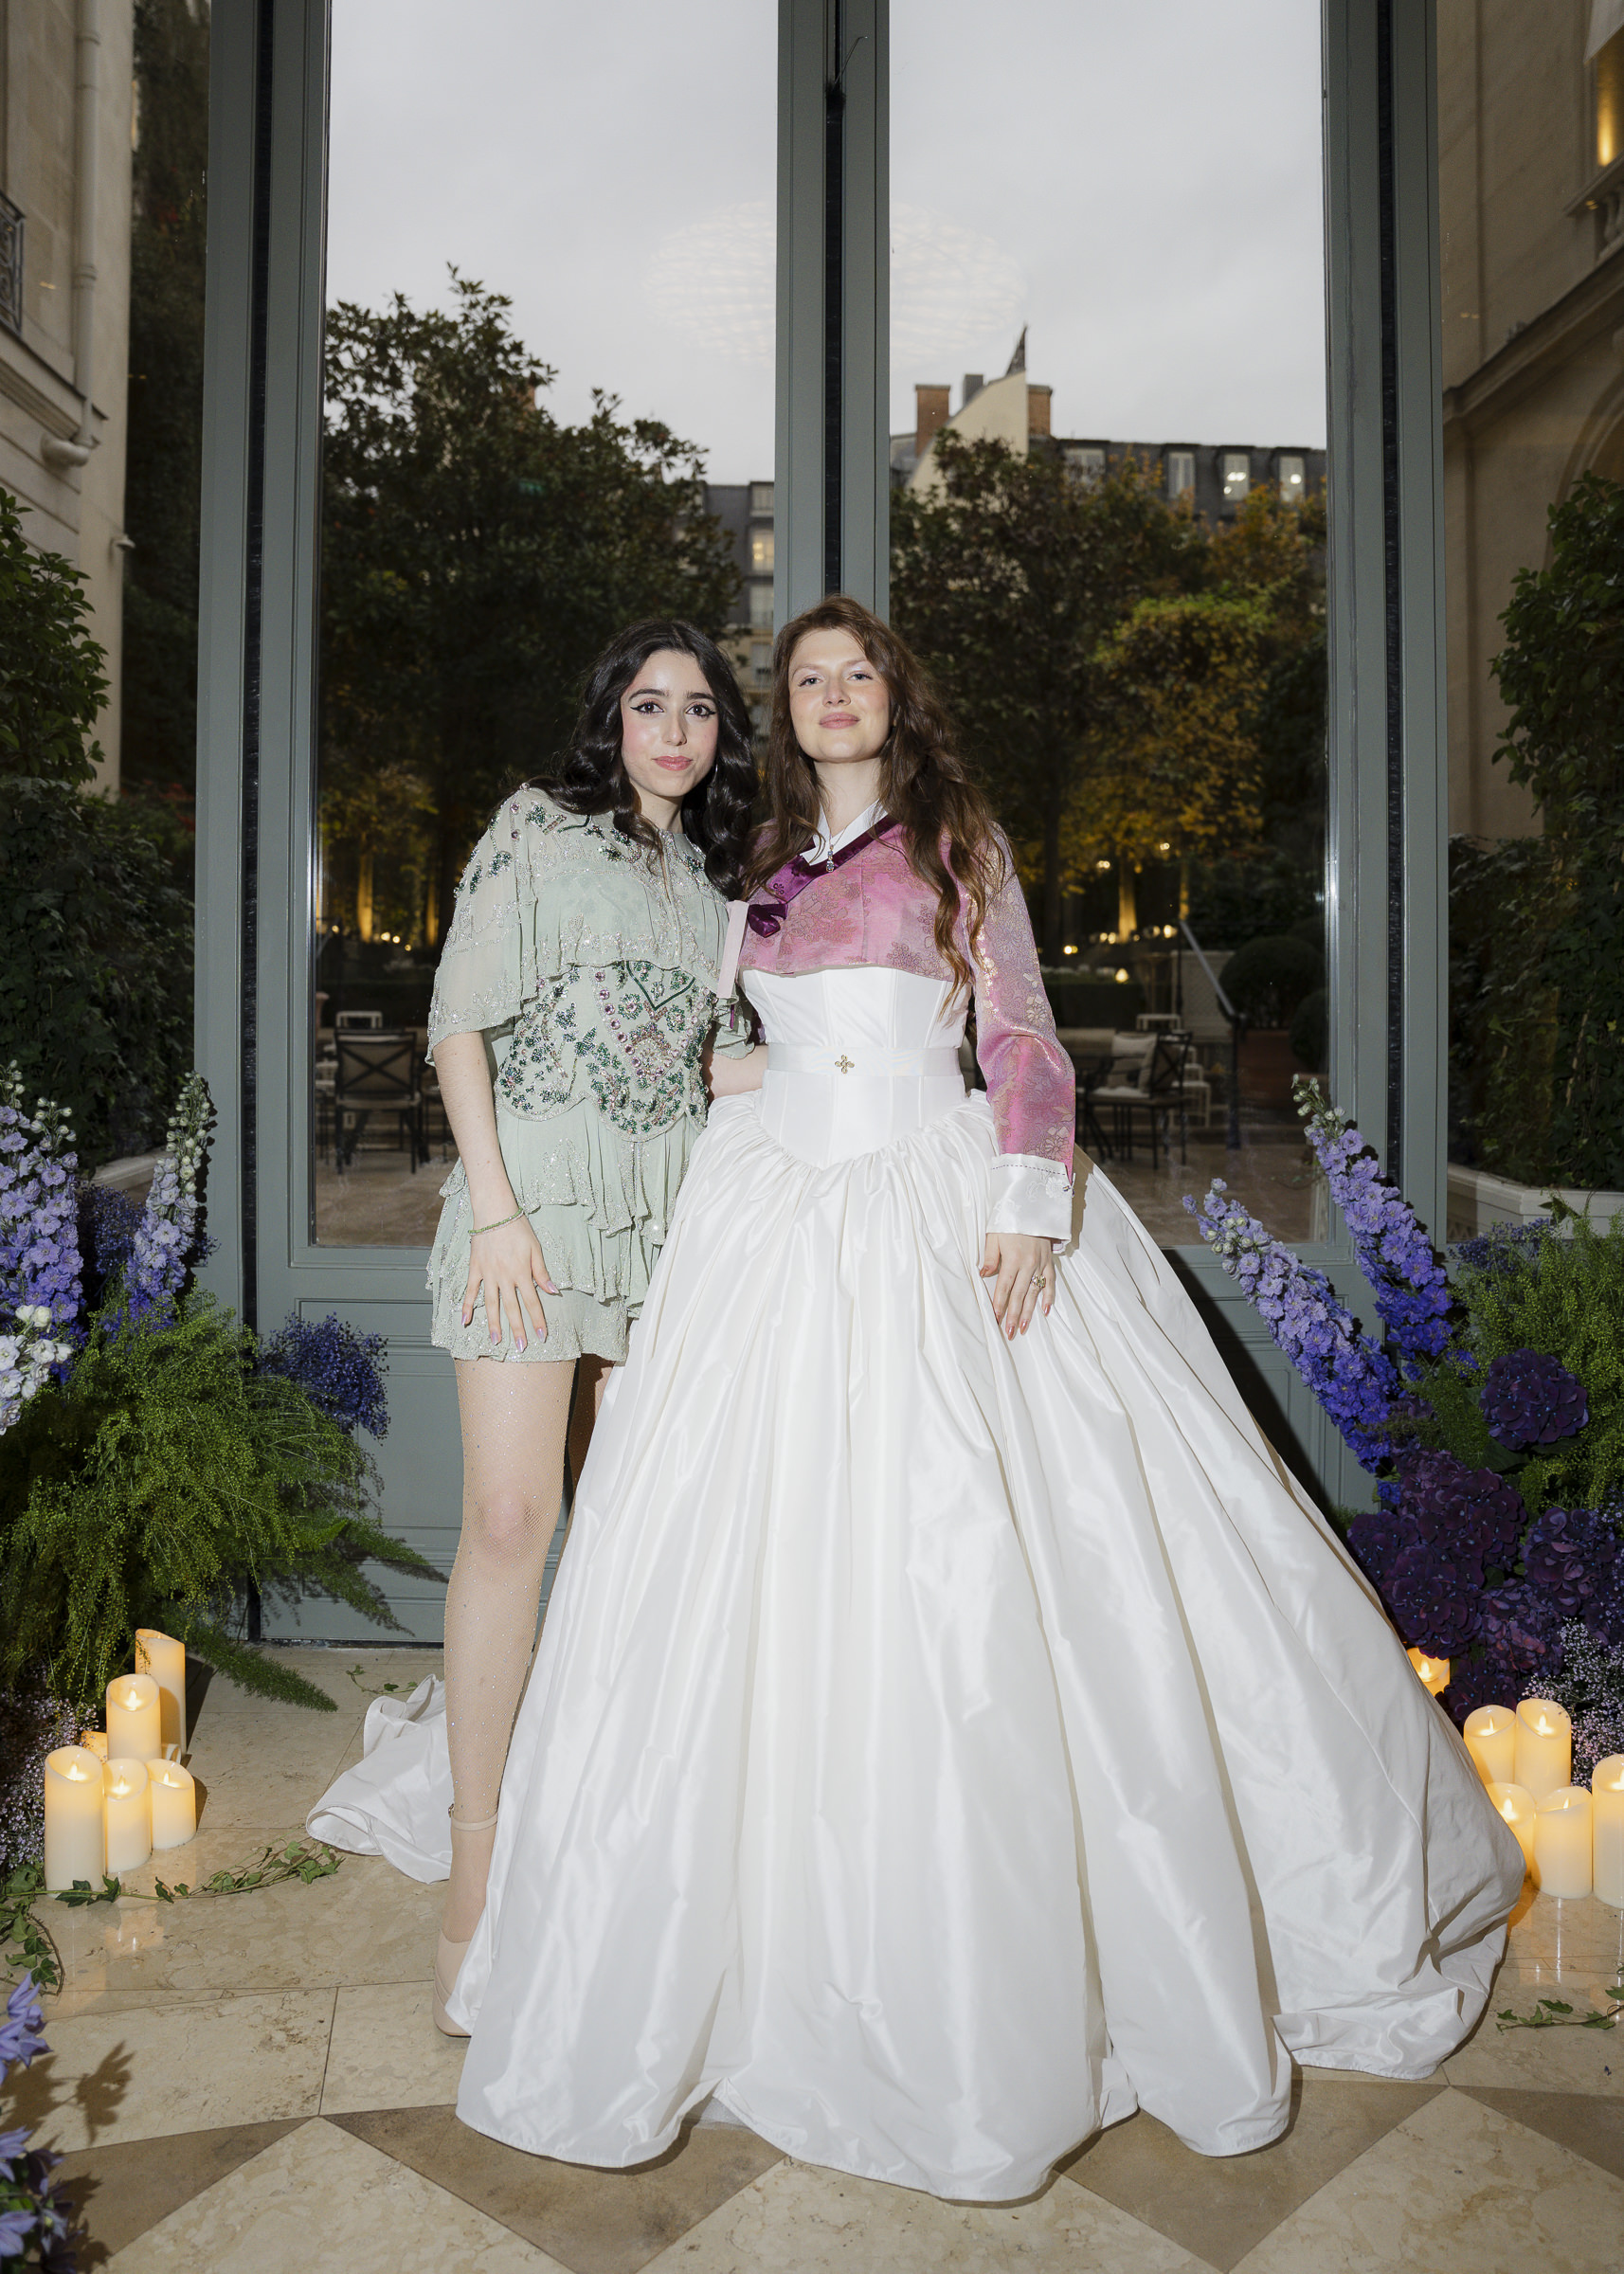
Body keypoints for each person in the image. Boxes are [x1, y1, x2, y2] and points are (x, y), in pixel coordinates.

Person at [444, 595, 1523, 2200]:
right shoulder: (740, 860)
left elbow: (1019, 1036)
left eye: (851, 674)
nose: (826, 698)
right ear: (781, 713)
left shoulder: (961, 838)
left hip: (939, 1200)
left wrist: (1025, 1200)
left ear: (892, 695)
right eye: (800, 681)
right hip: (764, 1212)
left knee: (981, 1554)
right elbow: (698, 1040)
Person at [404, 621, 756, 2033]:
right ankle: (473, 1878)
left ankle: (596, 1856)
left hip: (667, 1223)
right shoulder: (536, 830)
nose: (674, 730)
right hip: (535, 1208)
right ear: (609, 718)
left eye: (699, 710)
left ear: (722, 736)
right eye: (648, 704)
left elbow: (714, 1068)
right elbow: (456, 1024)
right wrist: (496, 1212)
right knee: (508, 1521)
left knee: (620, 1544)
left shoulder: (717, 883)